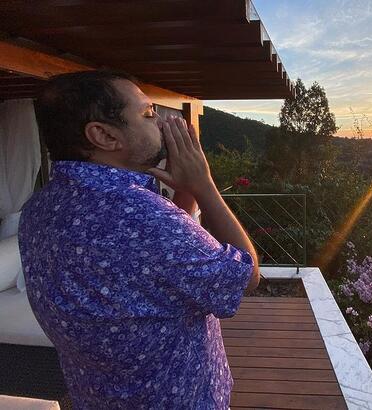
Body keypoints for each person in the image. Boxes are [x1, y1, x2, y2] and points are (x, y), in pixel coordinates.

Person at [18, 70, 260, 409]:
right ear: (104, 135)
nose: (161, 122)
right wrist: (204, 185)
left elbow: (157, 262)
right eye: (148, 113)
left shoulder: (39, 209)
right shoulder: (142, 215)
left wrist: (184, 194)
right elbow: (244, 277)